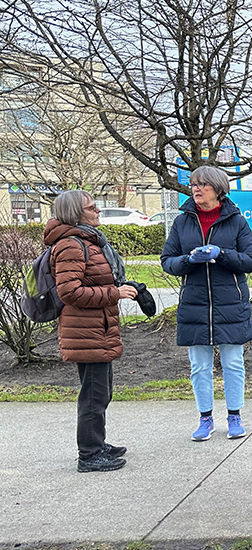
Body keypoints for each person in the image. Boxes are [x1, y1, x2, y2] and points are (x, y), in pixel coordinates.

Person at [161, 166, 252, 442]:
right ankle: (205, 419)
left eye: (203, 184)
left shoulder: (236, 221)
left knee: (233, 363)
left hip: (231, 305)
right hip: (194, 305)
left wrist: (222, 254)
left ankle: (234, 417)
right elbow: (167, 261)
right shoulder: (182, 222)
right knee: (199, 366)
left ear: (218, 189)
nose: (196, 189)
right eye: (194, 184)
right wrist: (188, 260)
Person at [45, 190, 138, 472]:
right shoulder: (71, 245)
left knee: (101, 392)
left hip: (98, 328)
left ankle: (97, 443)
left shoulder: (88, 240)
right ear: (76, 213)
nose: (98, 211)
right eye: (92, 207)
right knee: (94, 396)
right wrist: (114, 293)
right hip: (85, 331)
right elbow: (70, 292)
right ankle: (89, 455)